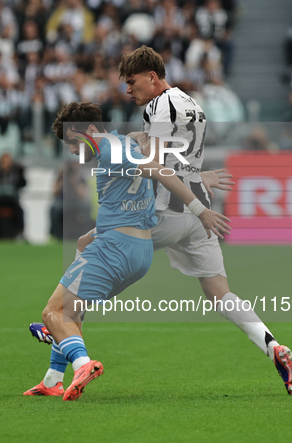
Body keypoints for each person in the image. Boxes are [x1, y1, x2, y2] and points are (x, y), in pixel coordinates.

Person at [32, 46, 292, 396]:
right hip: (196, 209)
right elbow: (180, 159)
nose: (128, 90)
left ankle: (60, 331)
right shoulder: (193, 104)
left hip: (167, 211)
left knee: (88, 247)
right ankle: (272, 346)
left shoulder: (158, 107)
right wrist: (199, 180)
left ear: (152, 77)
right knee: (220, 293)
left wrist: (192, 202)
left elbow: (157, 165)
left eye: (132, 83)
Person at [24, 102, 231, 400]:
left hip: (114, 249)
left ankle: (82, 364)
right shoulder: (122, 143)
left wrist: (199, 209)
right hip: (137, 251)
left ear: (91, 131)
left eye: (73, 142)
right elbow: (146, 147)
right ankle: (54, 379)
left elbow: (159, 171)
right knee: (73, 303)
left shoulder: (112, 150)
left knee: (52, 312)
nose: (72, 151)